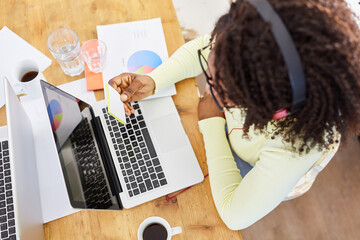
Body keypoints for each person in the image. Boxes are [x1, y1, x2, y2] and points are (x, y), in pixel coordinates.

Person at [109, 0, 360, 230]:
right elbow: (204, 49)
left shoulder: (295, 147)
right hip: (237, 133)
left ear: (265, 104)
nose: (208, 87)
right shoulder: (244, 45)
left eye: (223, 89)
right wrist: (154, 80)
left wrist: (211, 122)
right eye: (212, 72)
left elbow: (234, 215)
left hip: (258, 162)